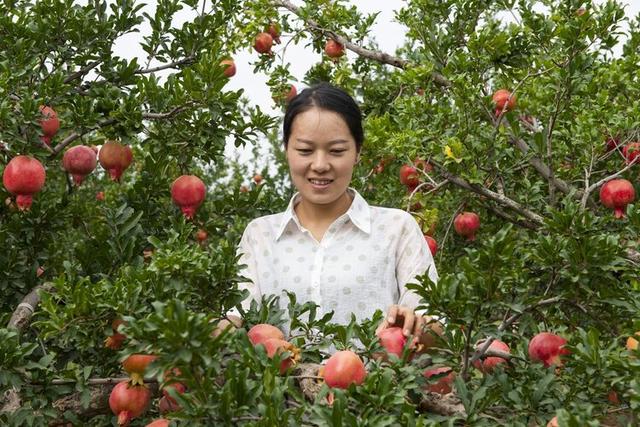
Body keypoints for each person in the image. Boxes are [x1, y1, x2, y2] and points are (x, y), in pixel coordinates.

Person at [217, 82, 439, 343]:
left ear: (357, 152)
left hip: (380, 383)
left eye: (336, 151)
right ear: (286, 149)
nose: (320, 165)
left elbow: (434, 326)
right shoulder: (259, 235)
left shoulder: (396, 228)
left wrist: (417, 325)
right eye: (305, 150)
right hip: (279, 384)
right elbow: (236, 317)